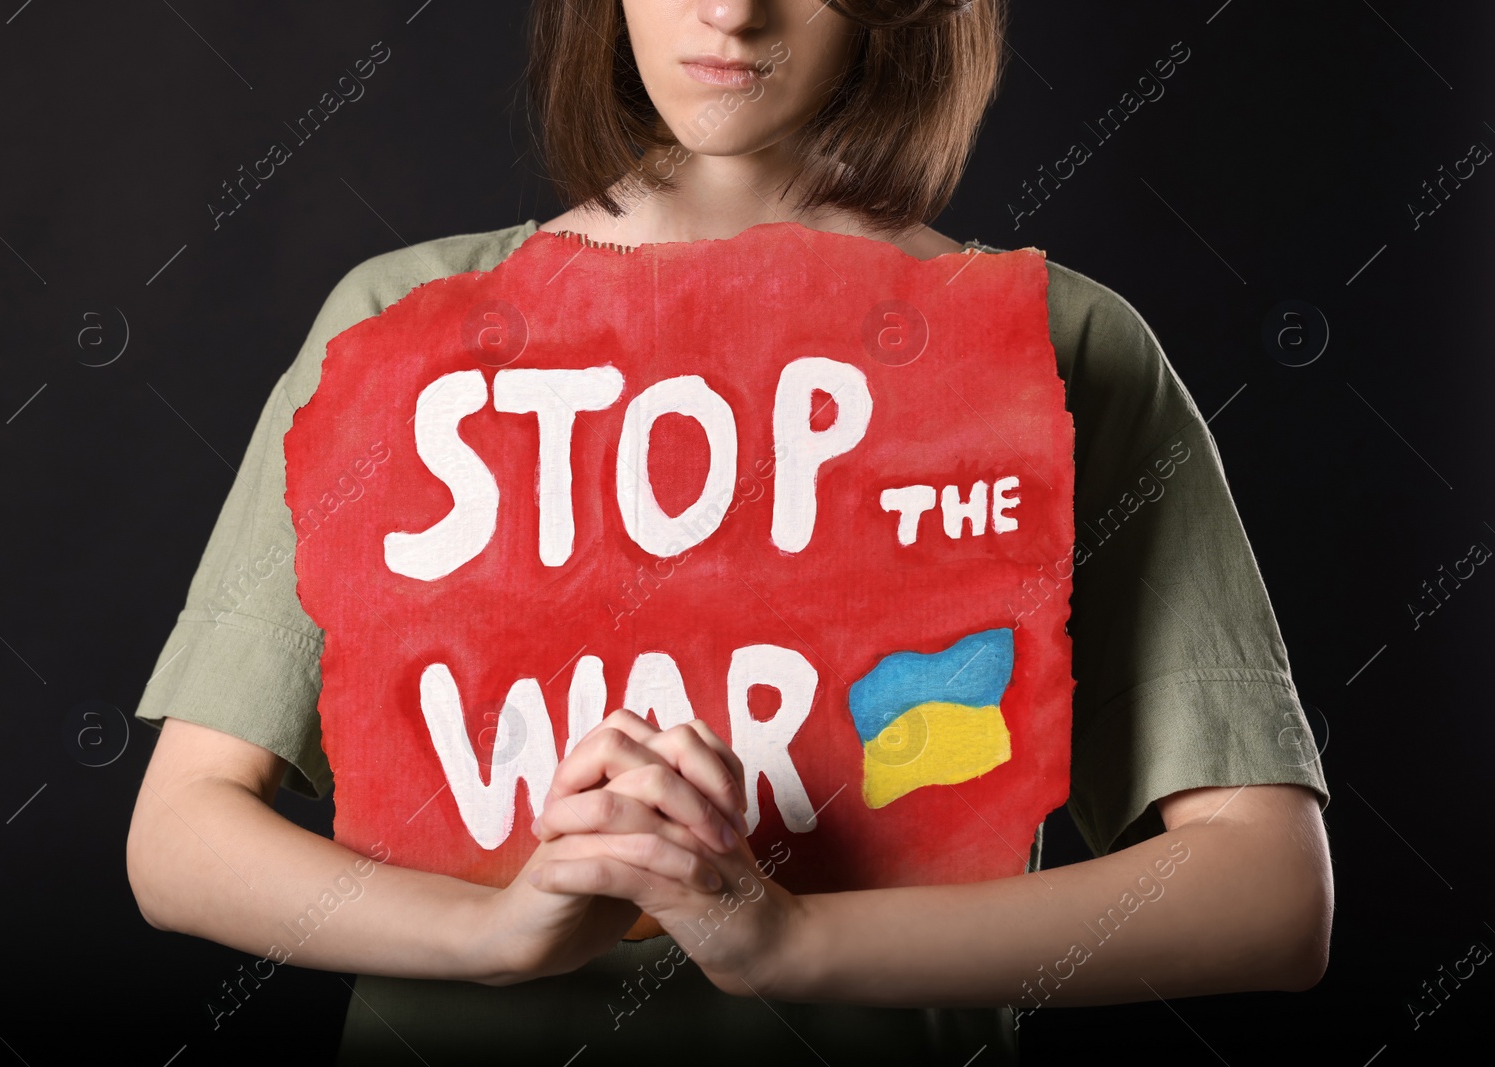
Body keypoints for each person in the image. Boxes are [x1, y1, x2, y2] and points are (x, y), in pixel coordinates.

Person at [126, 1, 1333, 1063]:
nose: (734, 13)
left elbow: (1267, 893)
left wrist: (793, 943)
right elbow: (180, 834)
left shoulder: (1049, 348)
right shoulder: (404, 327)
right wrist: (489, 934)